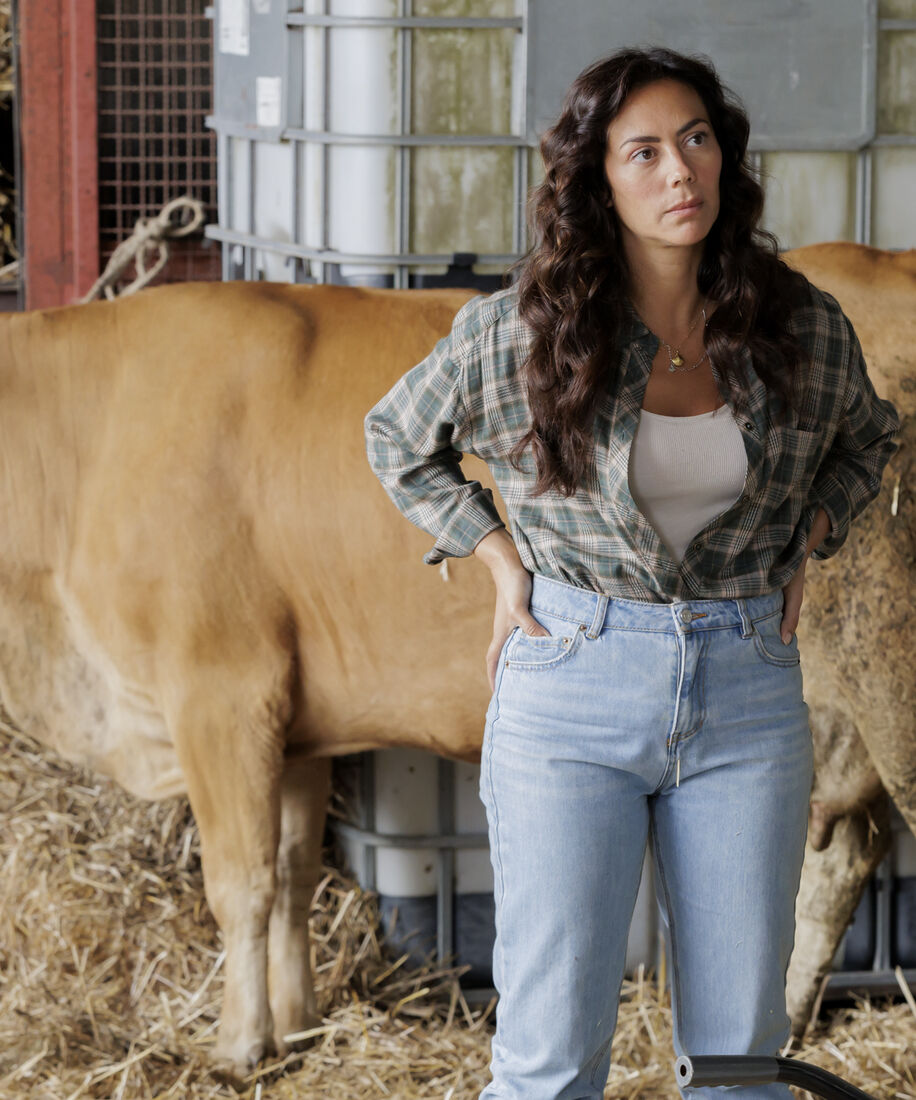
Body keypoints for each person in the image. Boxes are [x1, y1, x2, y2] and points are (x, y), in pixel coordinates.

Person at [364, 46, 900, 1100]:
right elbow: (397, 440)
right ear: (596, 180)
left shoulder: (798, 325)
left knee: (738, 1064)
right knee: (551, 1063)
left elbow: (868, 439)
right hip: (571, 683)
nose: (678, 171)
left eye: (695, 140)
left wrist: (812, 530)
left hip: (746, 691)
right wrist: (496, 556)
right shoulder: (522, 332)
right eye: (643, 151)